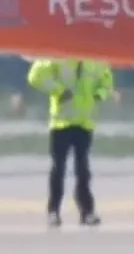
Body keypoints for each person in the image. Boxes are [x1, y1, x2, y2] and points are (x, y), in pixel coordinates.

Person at [26, 57, 116, 227]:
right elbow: (35, 76)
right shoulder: (58, 55)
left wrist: (99, 94)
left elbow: (107, 82)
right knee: (58, 168)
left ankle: (87, 211)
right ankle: (53, 211)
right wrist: (59, 90)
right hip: (61, 122)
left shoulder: (95, 59)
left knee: (83, 169)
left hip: (85, 121)